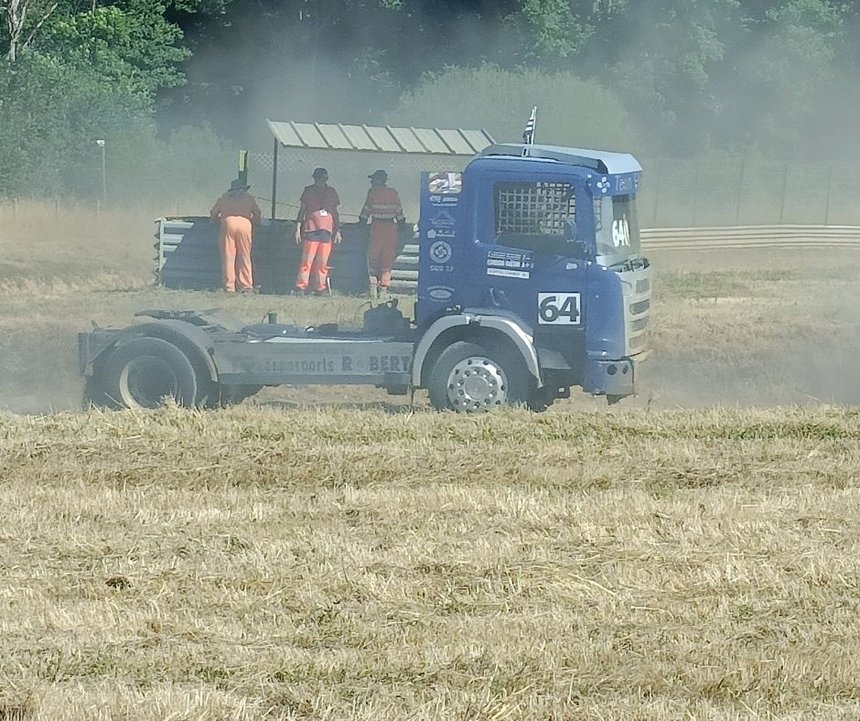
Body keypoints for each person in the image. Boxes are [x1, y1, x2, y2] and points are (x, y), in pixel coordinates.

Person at [359, 169, 406, 299]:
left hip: (377, 228)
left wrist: (361, 223)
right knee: (388, 259)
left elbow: (365, 212)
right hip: (391, 229)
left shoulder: (372, 193)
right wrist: (402, 226)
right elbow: (400, 213)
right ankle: (384, 289)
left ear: (378, 180)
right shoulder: (393, 193)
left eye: (373, 179)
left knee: (373, 258)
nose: (371, 182)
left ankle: (373, 289)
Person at [294, 167, 341, 295]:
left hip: (326, 231)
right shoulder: (308, 191)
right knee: (307, 261)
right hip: (311, 230)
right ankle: (301, 287)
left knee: (322, 263)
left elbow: (335, 213)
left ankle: (320, 288)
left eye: (323, 178)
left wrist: (337, 230)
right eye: (319, 178)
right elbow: (302, 210)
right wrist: (298, 228)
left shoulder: (331, 192)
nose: (321, 180)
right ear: (315, 178)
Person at [209, 178, 262, 293]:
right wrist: (255, 223)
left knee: (228, 256)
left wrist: (213, 221)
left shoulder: (224, 197)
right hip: (245, 225)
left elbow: (213, 212)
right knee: (244, 256)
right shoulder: (249, 198)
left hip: (228, 224)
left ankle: (229, 287)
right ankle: (246, 285)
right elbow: (257, 214)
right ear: (244, 189)